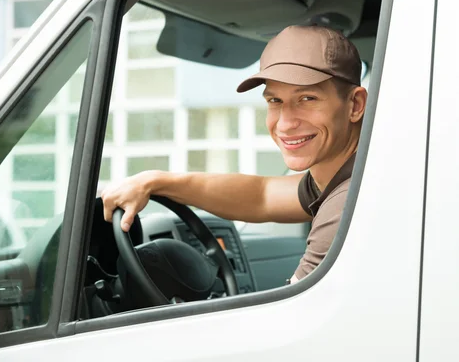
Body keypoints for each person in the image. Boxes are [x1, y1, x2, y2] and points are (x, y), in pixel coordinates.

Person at [101, 25, 367, 283]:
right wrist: (154, 181)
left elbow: (295, 322)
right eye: (275, 101)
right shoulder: (343, 175)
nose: (285, 123)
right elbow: (260, 196)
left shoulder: (347, 202)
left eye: (307, 99)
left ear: (355, 104)